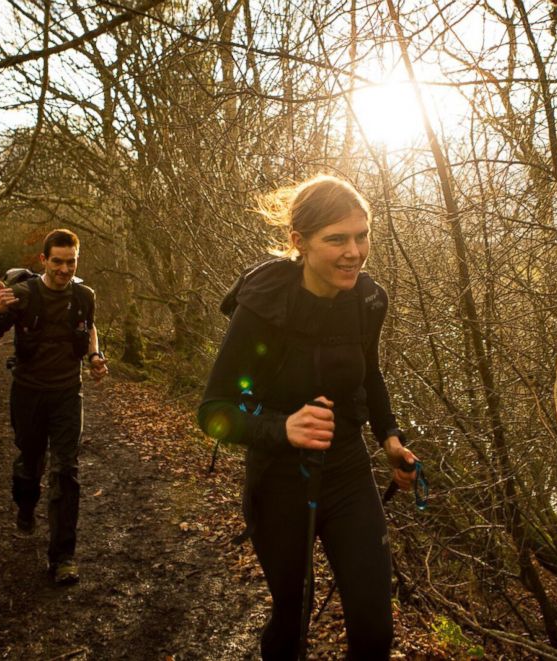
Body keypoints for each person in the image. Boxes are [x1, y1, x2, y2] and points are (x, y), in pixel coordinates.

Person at [198, 175, 417, 660]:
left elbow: (370, 374)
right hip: (278, 480)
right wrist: (283, 429)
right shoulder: (263, 306)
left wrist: (390, 438)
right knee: (292, 619)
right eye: (336, 239)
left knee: (375, 630)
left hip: (347, 472)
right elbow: (214, 410)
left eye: (362, 236)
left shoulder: (367, 300)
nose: (354, 252)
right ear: (299, 242)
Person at [0, 228, 108, 585]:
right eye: (58, 262)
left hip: (68, 392)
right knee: (30, 462)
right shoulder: (21, 295)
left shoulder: (84, 295)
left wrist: (95, 355)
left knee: (66, 470)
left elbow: (89, 327)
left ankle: (63, 557)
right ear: (44, 260)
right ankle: (25, 504)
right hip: (29, 393)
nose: (65, 269)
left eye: (71, 262)